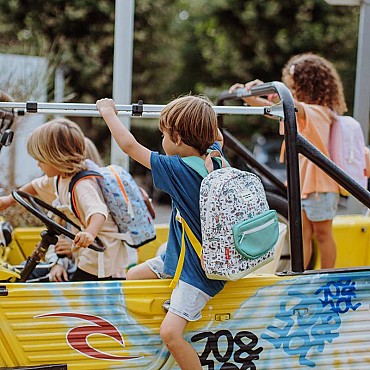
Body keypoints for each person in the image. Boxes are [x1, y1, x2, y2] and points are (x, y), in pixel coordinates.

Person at [96, 95, 225, 370]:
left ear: (177, 138)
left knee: (170, 334)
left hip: (198, 270)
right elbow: (217, 135)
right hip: (181, 255)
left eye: (164, 134)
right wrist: (201, 112)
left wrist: (107, 111)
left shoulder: (178, 169)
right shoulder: (216, 157)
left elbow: (130, 146)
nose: (162, 141)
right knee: (133, 276)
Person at [229, 52, 346, 270]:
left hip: (320, 186)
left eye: (292, 85)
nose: (290, 90)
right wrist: (248, 96)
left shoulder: (318, 112)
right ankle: (300, 273)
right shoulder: (299, 111)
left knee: (322, 233)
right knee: (302, 233)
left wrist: (271, 89)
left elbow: (289, 106)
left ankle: (328, 274)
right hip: (302, 184)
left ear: (305, 86)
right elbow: (273, 112)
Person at [0, 118, 128, 280]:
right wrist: (8, 200)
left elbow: (98, 212)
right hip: (85, 253)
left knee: (76, 289)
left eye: (41, 160)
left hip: (100, 257)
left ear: (57, 158)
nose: (38, 165)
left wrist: (89, 233)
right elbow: (34, 186)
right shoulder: (59, 178)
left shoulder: (82, 185)